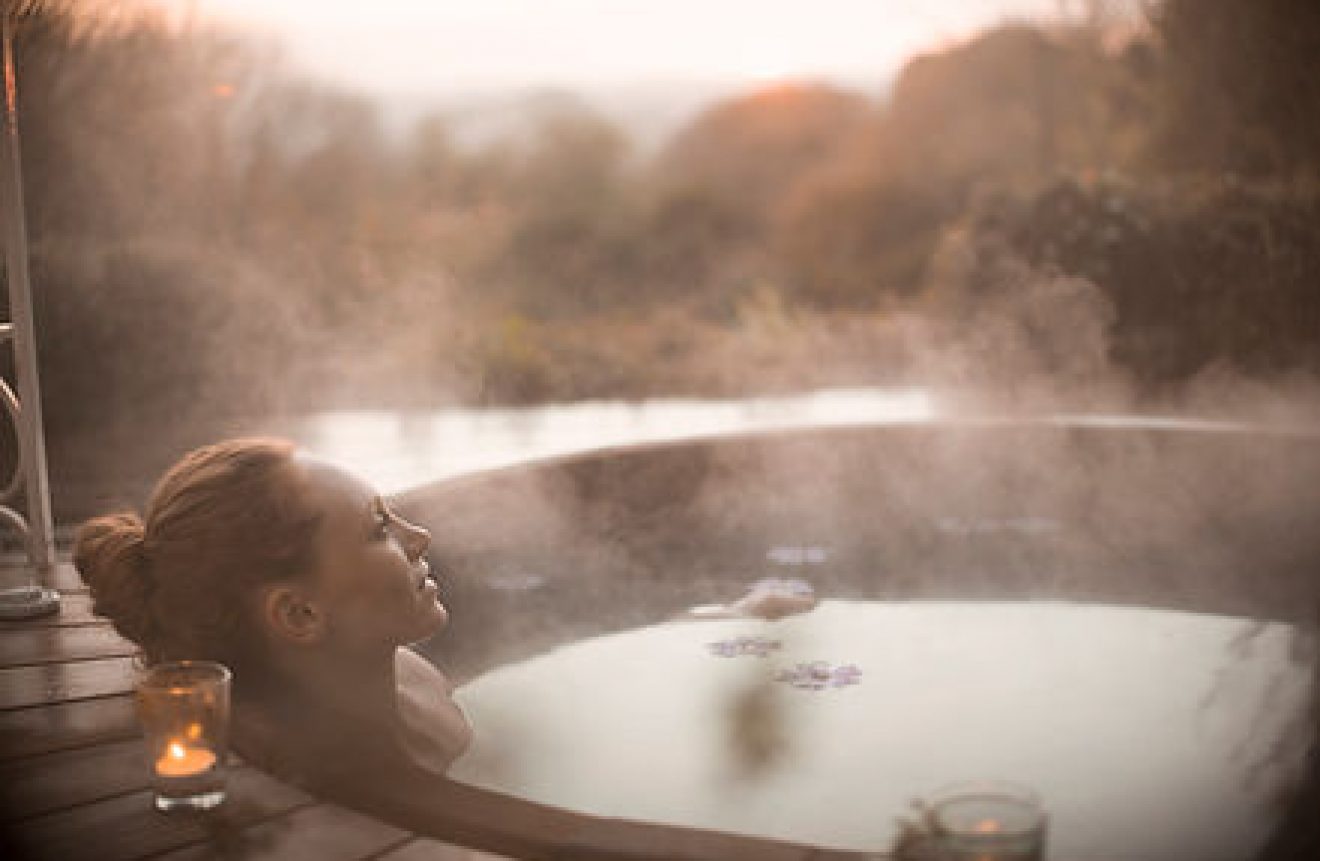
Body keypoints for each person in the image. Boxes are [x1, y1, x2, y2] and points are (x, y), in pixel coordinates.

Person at [75, 438, 862, 861]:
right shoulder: (356, 772)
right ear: (299, 611)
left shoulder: (402, 675)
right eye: (380, 528)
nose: (420, 535)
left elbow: (573, 617)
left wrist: (717, 613)